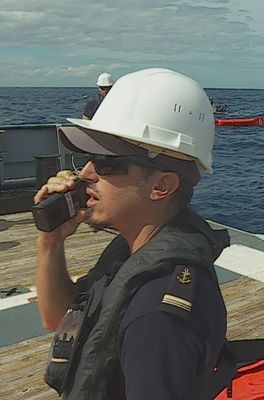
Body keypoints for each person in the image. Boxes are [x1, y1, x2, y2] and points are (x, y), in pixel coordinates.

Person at [35, 68, 230, 399]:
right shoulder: (132, 251)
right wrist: (51, 240)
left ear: (161, 185)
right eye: (87, 158)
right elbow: (58, 318)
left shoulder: (156, 317)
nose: (85, 173)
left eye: (106, 162)